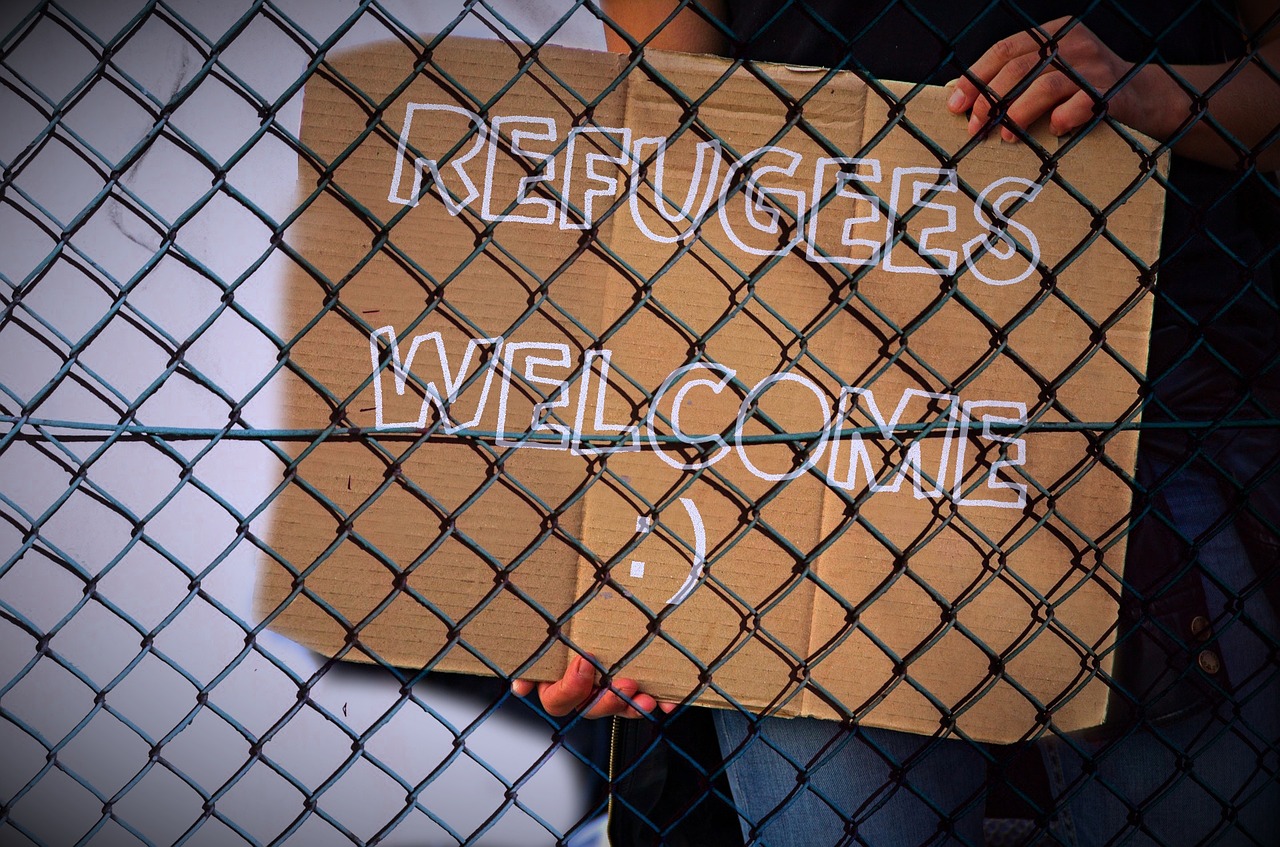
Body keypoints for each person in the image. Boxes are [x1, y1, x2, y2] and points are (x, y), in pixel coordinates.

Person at [514, 2, 1280, 844]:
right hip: (805, 472)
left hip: (1150, 439)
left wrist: (1158, 96)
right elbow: (662, 165)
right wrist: (622, 542)